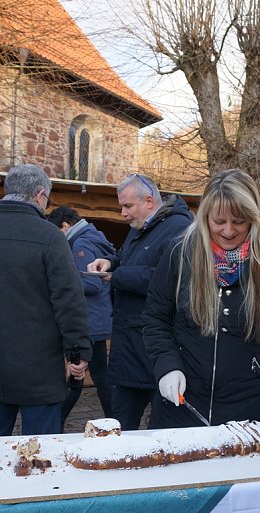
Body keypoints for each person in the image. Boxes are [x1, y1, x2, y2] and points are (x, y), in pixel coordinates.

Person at [141, 169, 260, 430]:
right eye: (219, 221)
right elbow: (155, 319)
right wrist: (167, 365)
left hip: (249, 410)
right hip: (181, 409)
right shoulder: (180, 253)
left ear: (253, 218)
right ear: (205, 218)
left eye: (238, 221)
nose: (228, 231)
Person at [0, 164, 91, 436]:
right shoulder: (50, 237)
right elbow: (69, 299)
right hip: (39, 369)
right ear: (40, 195)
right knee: (41, 453)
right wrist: (78, 353)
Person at [88, 173, 193, 430]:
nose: (122, 213)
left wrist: (117, 275)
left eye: (127, 206)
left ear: (148, 201)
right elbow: (125, 257)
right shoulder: (140, 228)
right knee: (121, 423)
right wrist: (110, 262)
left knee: (162, 426)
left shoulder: (179, 228)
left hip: (156, 347)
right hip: (129, 346)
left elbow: (170, 278)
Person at [47, 206, 116, 428]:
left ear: (65, 226)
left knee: (81, 375)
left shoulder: (80, 244)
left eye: (57, 231)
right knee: (96, 375)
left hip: (90, 321)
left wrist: (62, 279)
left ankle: (55, 424)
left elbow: (93, 282)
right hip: (97, 318)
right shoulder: (92, 237)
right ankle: (114, 421)